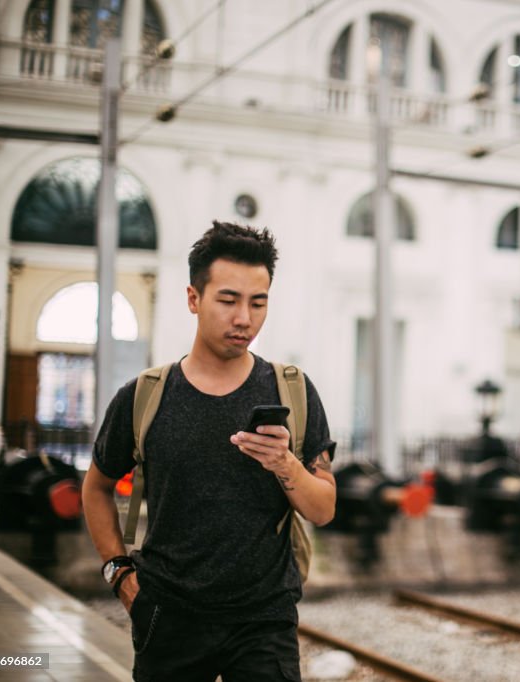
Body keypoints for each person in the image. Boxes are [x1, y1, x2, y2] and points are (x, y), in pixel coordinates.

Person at [82, 222, 336, 682]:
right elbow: (95, 488)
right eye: (228, 300)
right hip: (168, 615)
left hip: (264, 620)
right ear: (194, 299)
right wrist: (119, 574)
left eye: (258, 303)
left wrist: (284, 462)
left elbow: (323, 509)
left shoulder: (291, 391)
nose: (244, 318)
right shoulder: (145, 396)